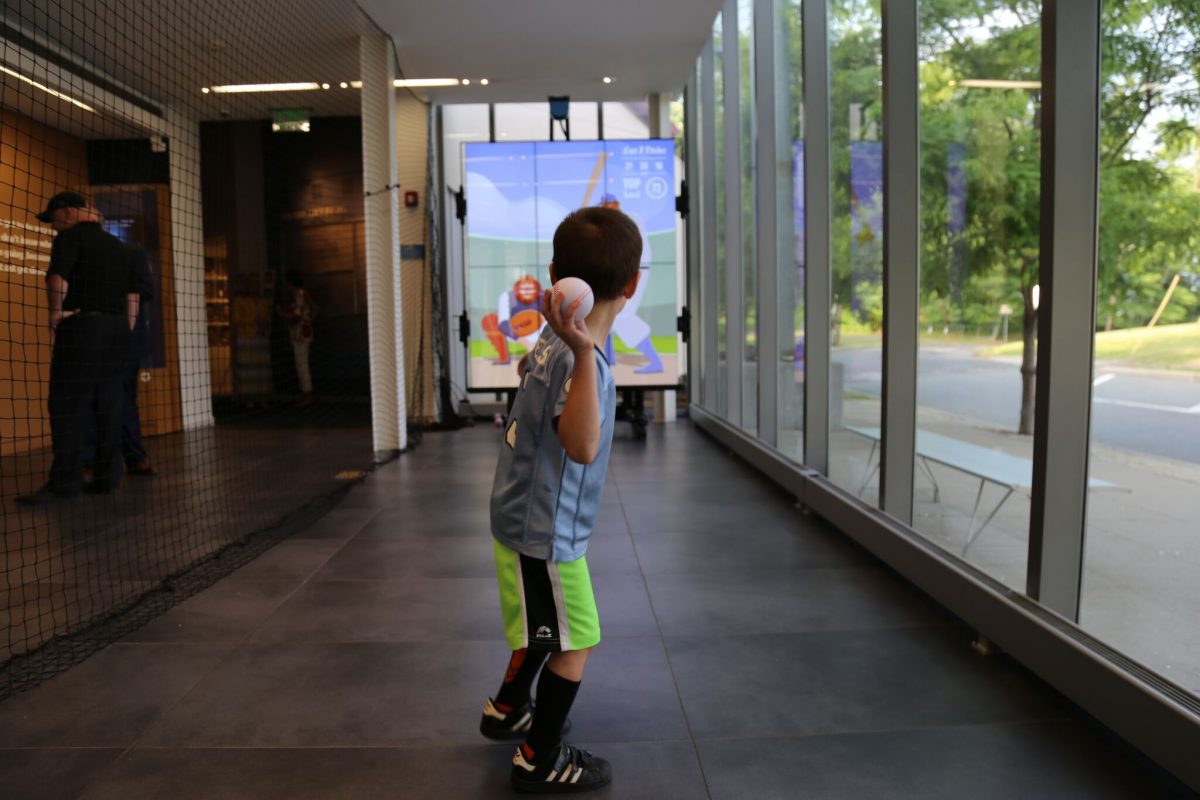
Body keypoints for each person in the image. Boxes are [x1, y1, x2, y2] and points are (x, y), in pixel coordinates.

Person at [481, 206, 642, 793]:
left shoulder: (552, 339)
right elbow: (580, 444)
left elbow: (529, 368)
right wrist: (581, 358)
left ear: (554, 275)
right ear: (633, 285)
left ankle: (507, 709)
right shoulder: (581, 361)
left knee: (541, 628)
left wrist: (565, 344)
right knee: (577, 641)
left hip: (523, 517)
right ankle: (538, 755)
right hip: (546, 533)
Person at [17, 191, 139, 505]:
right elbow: (132, 295)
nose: (55, 227)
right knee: (109, 404)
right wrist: (123, 328)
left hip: (83, 327)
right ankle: (106, 479)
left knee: (68, 405)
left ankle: (64, 483)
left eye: (55, 220)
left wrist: (56, 314)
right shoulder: (119, 247)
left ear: (69, 212)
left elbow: (57, 278)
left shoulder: (70, 239)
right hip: (117, 330)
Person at [83, 248, 158, 481]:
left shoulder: (132, 256)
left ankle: (131, 458)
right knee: (97, 401)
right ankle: (97, 463)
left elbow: (144, 290)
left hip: (125, 342)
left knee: (123, 400)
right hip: (101, 338)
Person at [598, 194, 662, 374]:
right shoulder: (620, 222)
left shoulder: (629, 219)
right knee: (611, 312)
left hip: (636, 270)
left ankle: (655, 361)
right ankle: (608, 359)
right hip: (628, 270)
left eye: (608, 206)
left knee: (622, 316)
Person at [481, 274, 545, 365]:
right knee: (489, 320)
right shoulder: (506, 296)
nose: (527, 291)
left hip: (540, 330)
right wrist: (524, 341)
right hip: (515, 333)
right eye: (524, 289)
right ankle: (504, 358)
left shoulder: (544, 295)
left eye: (530, 289)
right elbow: (503, 323)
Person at [278, 270, 316, 409]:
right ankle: (306, 394)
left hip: (300, 334)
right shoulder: (304, 294)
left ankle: (307, 394)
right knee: (302, 363)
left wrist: (281, 314)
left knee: (302, 365)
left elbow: (295, 316)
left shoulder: (299, 295)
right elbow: (313, 309)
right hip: (303, 333)